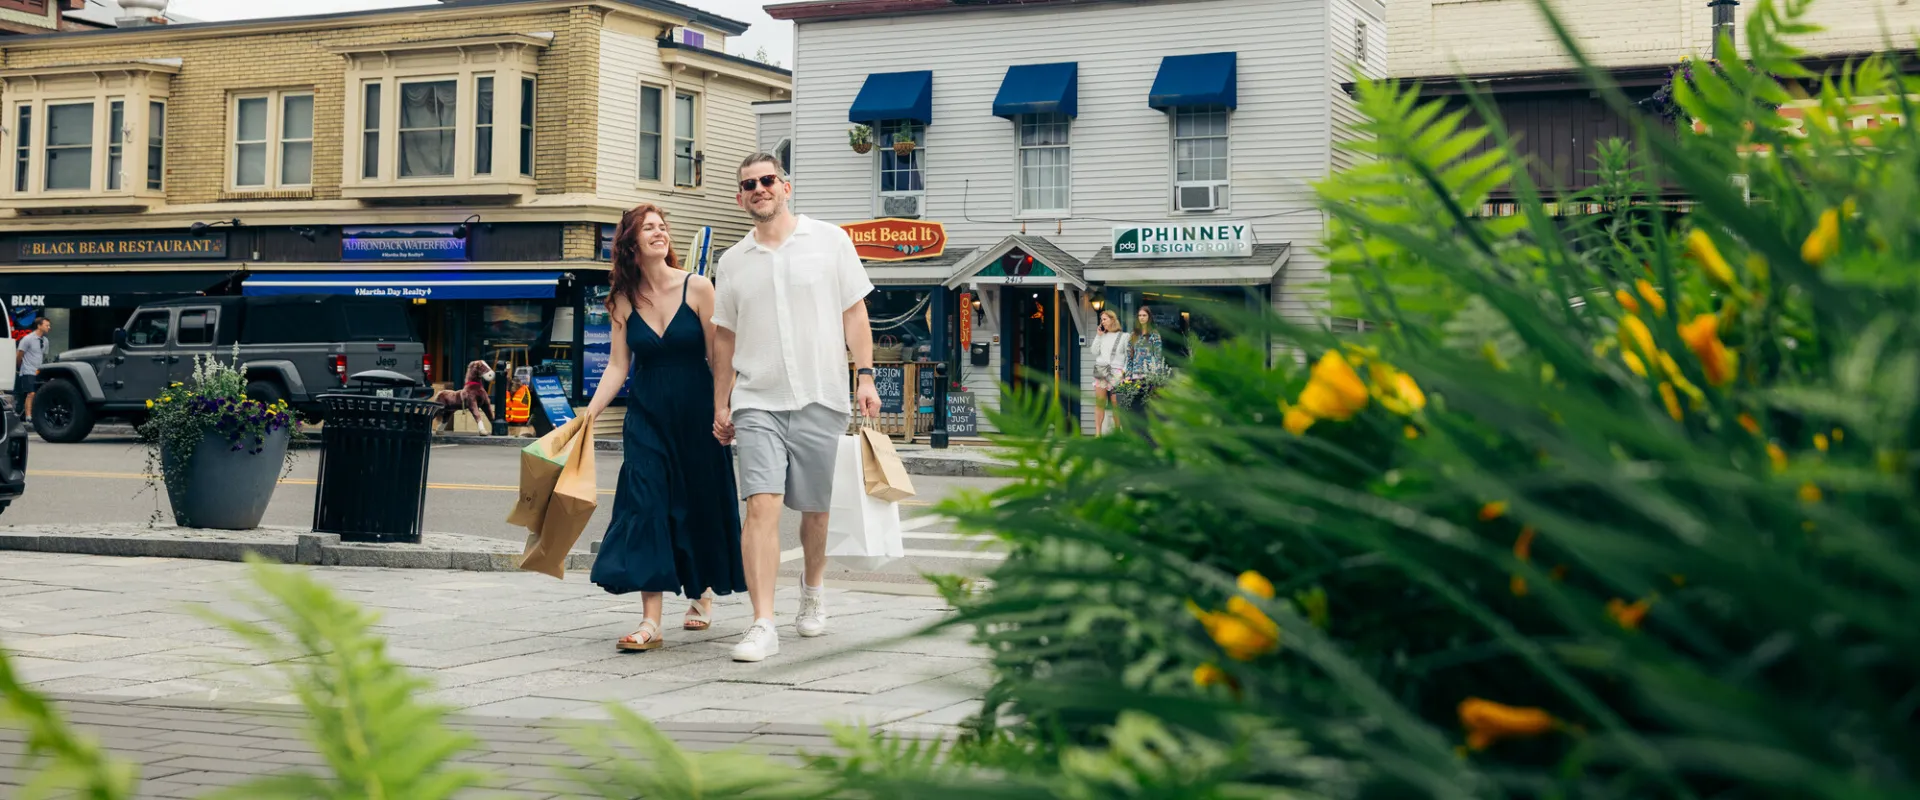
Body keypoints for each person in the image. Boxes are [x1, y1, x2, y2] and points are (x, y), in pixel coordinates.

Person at [712, 152, 881, 663]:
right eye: (748, 185)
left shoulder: (830, 241)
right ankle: (762, 621)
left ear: (786, 186)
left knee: (815, 511)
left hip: (821, 395)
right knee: (760, 505)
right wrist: (722, 400)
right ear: (741, 197)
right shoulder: (732, 261)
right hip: (757, 400)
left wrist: (866, 375)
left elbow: (855, 314)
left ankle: (812, 588)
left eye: (767, 180)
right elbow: (724, 338)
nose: (758, 189)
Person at [582, 203, 748, 652]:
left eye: (662, 227)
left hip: (696, 413)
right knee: (647, 505)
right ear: (631, 243)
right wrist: (590, 414)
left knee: (696, 502)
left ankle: (700, 593)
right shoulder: (621, 298)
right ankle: (650, 621)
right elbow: (619, 366)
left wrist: (722, 408)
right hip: (647, 415)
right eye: (648, 228)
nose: (659, 233)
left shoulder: (698, 287)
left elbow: (720, 357)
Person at [1123, 306, 1167, 413]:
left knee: (1149, 406)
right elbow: (1130, 357)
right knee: (1136, 406)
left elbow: (1157, 356)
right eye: (1140, 315)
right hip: (1135, 376)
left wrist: (1156, 376)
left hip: (1149, 375)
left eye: (1144, 315)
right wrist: (1128, 375)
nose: (1142, 318)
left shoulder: (1154, 335)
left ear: (1149, 317)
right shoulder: (1133, 335)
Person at [1090, 309, 1126, 435]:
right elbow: (1094, 351)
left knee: (1116, 403)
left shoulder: (1123, 336)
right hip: (1101, 369)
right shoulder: (1102, 336)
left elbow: (1128, 356)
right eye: (1101, 319)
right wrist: (1098, 336)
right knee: (1100, 402)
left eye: (1105, 319)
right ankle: (1098, 433)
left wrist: (1124, 371)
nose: (1102, 322)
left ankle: (1118, 432)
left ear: (1112, 319)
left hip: (1117, 371)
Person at [16, 317, 50, 421]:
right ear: (39, 326)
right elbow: (19, 355)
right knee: (31, 393)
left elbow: (43, 356)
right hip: (28, 370)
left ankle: (39, 415)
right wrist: (20, 367)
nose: (49, 327)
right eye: (46, 325)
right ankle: (28, 416)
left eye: (49, 325)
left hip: (39, 370)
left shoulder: (45, 341)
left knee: (40, 393)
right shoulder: (27, 339)